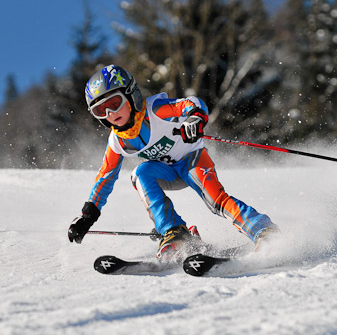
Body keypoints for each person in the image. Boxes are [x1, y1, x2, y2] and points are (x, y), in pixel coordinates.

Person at [68, 64, 277, 260]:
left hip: (192, 160)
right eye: (100, 111)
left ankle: (263, 229)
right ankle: (174, 232)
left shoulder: (155, 111)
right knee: (140, 174)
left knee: (216, 202)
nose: (110, 114)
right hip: (166, 171)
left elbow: (191, 103)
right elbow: (106, 176)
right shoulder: (117, 141)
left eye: (114, 103)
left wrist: (194, 118)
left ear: (131, 95)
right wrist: (88, 216)